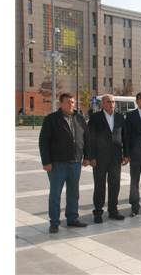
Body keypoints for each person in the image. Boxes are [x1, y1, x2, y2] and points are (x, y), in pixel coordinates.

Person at [39, 93, 90, 233]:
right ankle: (54, 222)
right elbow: (43, 141)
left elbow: (85, 138)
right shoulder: (51, 119)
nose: (71, 105)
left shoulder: (79, 118)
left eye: (73, 102)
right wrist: (46, 161)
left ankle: (72, 218)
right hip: (57, 164)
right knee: (55, 193)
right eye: (68, 102)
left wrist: (87, 157)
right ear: (60, 103)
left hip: (75, 162)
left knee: (74, 192)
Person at [88, 94, 126, 223]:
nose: (112, 104)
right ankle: (98, 212)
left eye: (113, 102)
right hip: (99, 158)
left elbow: (125, 137)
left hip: (116, 158)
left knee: (115, 185)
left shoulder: (120, 117)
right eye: (109, 102)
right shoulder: (95, 118)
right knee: (99, 186)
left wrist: (125, 154)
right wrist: (91, 157)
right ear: (103, 104)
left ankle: (113, 210)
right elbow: (90, 139)